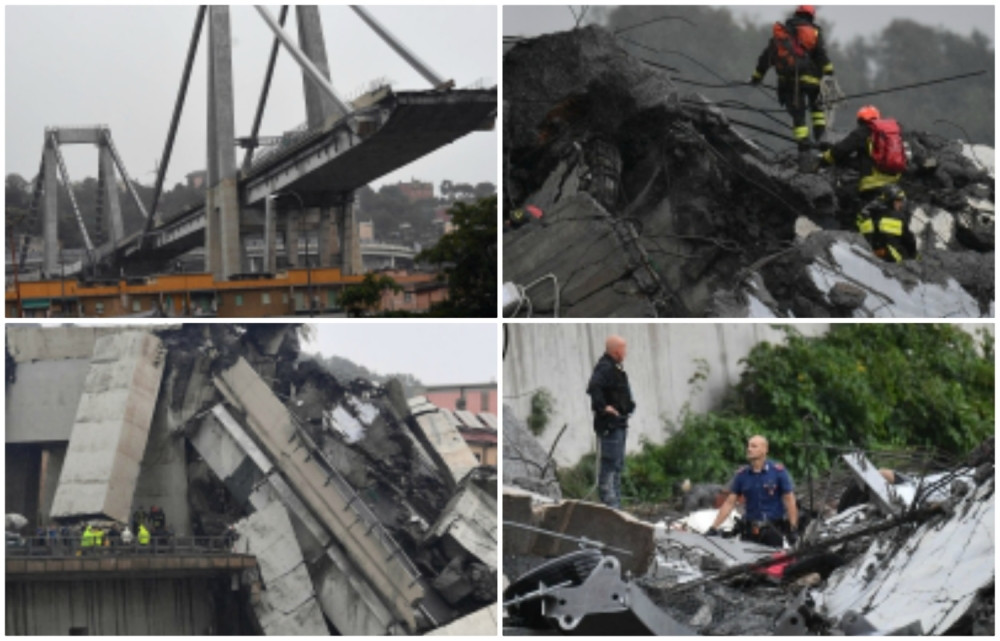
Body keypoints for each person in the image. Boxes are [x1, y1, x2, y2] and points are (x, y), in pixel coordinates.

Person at [820, 105, 911, 259]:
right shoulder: (890, 133)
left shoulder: (862, 132)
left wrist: (824, 159)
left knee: (863, 217)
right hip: (894, 185)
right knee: (892, 222)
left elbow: (840, 150)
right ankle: (896, 254)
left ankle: (868, 251)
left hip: (871, 185)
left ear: (860, 120)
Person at [750, 6, 835, 166]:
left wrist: (756, 78)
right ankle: (823, 142)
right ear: (811, 16)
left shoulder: (782, 35)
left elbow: (766, 58)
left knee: (799, 116)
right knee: (817, 113)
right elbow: (821, 55)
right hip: (813, 82)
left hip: (790, 83)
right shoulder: (814, 32)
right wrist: (829, 71)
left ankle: (804, 151)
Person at [707, 435, 799, 547]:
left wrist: (793, 528)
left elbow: (790, 501)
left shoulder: (778, 472)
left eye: (754, 446)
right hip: (749, 531)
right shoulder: (742, 475)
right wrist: (714, 527)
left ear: (764, 450)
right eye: (749, 446)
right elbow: (729, 503)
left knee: (773, 562)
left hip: (772, 530)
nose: (749, 449)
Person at [586, 335, 635, 509]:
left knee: (617, 465)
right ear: (616, 351)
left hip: (619, 423)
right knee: (610, 464)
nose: (626, 353)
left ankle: (616, 505)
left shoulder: (615, 369)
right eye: (624, 349)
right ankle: (610, 505)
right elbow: (593, 387)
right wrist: (604, 408)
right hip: (610, 425)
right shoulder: (604, 368)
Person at [856, 184, 917, 262]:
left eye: (902, 201)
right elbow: (869, 238)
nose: (901, 204)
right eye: (898, 201)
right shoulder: (875, 214)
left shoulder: (899, 215)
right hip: (882, 258)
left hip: (893, 258)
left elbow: (909, 239)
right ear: (890, 201)